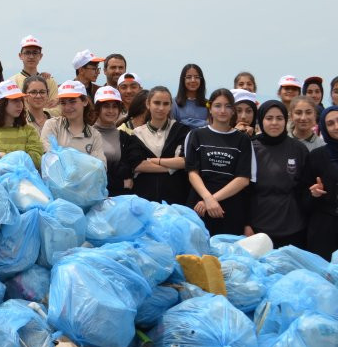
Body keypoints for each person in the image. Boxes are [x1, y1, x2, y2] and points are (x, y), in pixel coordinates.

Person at [184, 88, 256, 236]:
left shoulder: (243, 139)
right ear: (210, 109)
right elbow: (192, 173)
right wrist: (207, 198)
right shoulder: (196, 135)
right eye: (217, 106)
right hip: (199, 206)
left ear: (233, 110)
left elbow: (243, 179)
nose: (222, 110)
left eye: (228, 106)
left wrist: (212, 200)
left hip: (230, 209)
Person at [248, 100, 309, 249]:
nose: (274, 123)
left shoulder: (298, 149)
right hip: (257, 226)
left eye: (279, 118)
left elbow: (304, 188)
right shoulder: (250, 147)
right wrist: (246, 223)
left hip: (293, 226)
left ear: (286, 121)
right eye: (269, 118)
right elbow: (243, 190)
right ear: (261, 120)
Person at [125, 86, 191, 206]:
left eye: (166, 104)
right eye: (156, 103)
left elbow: (183, 161)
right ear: (148, 104)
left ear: (171, 106)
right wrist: (172, 167)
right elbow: (138, 165)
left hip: (176, 200)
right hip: (144, 200)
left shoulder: (181, 130)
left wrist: (153, 161)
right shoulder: (136, 133)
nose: (161, 108)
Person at [0, 79, 44, 167]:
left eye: (20, 100)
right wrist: (20, 158)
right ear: (1, 103)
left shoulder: (29, 130)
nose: (20, 104)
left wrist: (4, 156)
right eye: (14, 100)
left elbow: (36, 160)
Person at [41, 80, 107, 163]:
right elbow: (48, 159)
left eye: (72, 102)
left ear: (85, 101)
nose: (67, 107)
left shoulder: (95, 135)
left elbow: (100, 166)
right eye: (63, 103)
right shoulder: (52, 125)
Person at [306, 105, 338, 259]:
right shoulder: (316, 156)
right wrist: (313, 194)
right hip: (324, 229)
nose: (336, 126)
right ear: (324, 128)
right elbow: (303, 196)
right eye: (330, 123)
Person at [93, 86, 134, 195]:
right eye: (106, 106)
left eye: (114, 106)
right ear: (97, 109)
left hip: (117, 199)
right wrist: (119, 183)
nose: (111, 111)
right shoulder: (87, 135)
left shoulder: (125, 137)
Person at [10, 36, 58, 107]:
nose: (31, 56)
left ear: (40, 56)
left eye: (35, 53)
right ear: (20, 56)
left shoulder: (49, 81)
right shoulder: (12, 82)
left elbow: (56, 108)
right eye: (27, 53)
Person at [172, 63, 208, 129]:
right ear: (183, 80)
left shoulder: (208, 104)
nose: (193, 80)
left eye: (197, 77)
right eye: (189, 77)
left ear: (201, 80)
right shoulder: (174, 103)